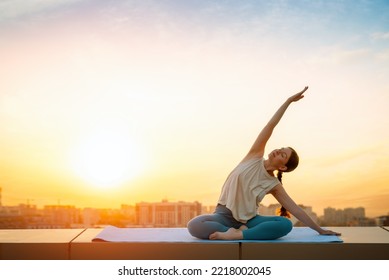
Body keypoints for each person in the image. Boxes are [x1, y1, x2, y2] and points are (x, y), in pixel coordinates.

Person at [187, 86, 341, 240]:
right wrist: (288, 101)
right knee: (194, 225)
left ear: (282, 167)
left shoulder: (273, 184)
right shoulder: (254, 156)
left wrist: (320, 230)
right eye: (280, 148)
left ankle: (238, 234)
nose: (277, 150)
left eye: (282, 154)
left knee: (285, 224)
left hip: (250, 220)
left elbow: (295, 209)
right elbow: (270, 126)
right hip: (223, 216)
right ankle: (238, 231)